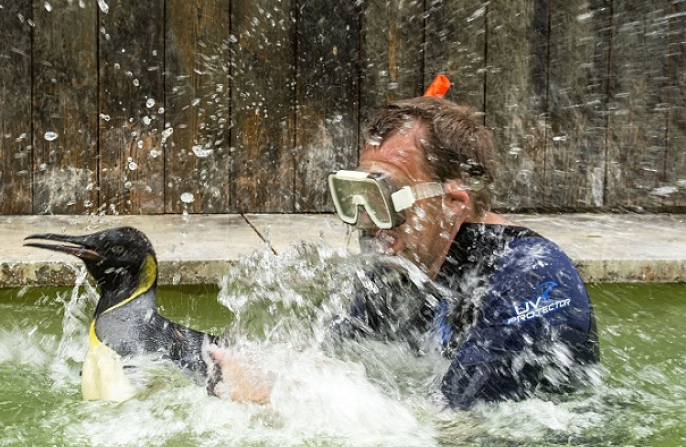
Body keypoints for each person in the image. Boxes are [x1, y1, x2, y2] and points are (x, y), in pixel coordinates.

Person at [211, 92, 600, 409]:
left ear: (454, 201)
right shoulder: (402, 271)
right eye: (358, 197)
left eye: (386, 198)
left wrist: (282, 403)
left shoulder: (531, 278)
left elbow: (452, 434)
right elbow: (331, 357)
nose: (371, 223)